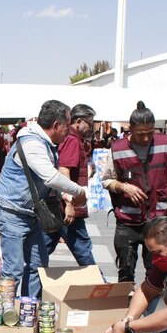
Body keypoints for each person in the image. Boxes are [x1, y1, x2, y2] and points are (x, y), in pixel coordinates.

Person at [0, 100, 87, 298]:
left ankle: (28, 308)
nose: (69, 131)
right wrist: (79, 192)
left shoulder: (46, 143)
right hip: (11, 213)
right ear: (56, 125)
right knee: (13, 270)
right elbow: (51, 177)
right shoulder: (32, 143)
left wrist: (66, 195)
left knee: (38, 264)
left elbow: (47, 181)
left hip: (30, 214)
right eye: (67, 125)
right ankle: (1, 317)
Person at [101, 101, 167, 284]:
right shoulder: (118, 149)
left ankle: (151, 306)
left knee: (156, 270)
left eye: (150, 133)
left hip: (157, 219)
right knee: (126, 268)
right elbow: (106, 180)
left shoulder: (166, 144)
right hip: (128, 221)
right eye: (141, 134)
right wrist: (124, 187)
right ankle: (127, 302)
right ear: (130, 129)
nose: (146, 138)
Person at [44, 103, 96, 266]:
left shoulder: (69, 138)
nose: (91, 128)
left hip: (59, 204)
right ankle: (98, 284)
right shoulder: (72, 140)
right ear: (79, 121)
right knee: (83, 249)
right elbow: (64, 171)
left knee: (44, 246)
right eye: (90, 123)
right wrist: (69, 203)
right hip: (67, 206)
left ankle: (31, 280)